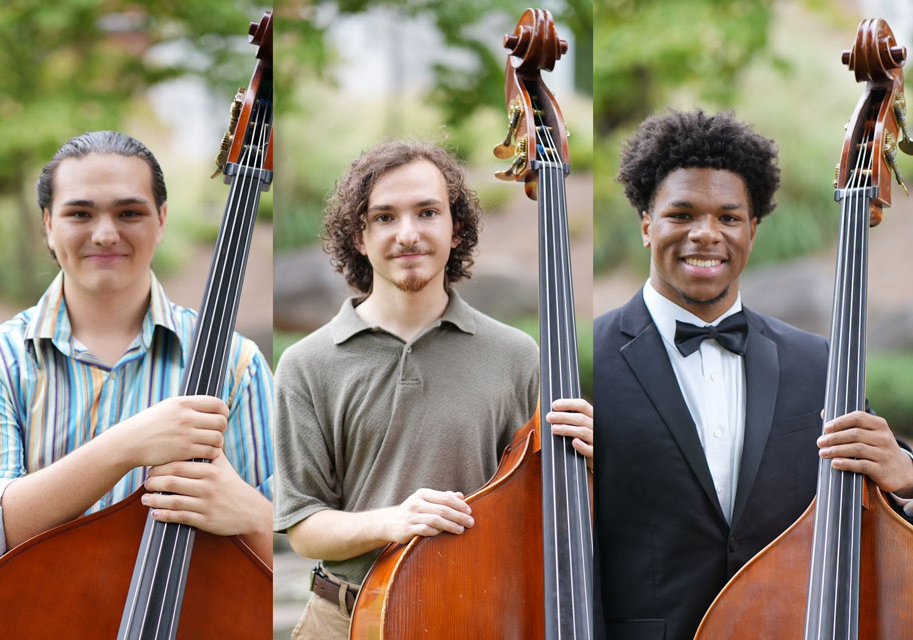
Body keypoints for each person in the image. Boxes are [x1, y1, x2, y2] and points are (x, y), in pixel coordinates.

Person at [592, 109, 913, 639]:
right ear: (646, 224)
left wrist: (903, 473)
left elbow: (878, 524)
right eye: (682, 214)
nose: (706, 234)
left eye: (728, 217)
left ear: (753, 229)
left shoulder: (820, 363)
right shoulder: (587, 364)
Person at [272, 140, 595, 638]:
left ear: (455, 227)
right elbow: (303, 527)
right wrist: (393, 521)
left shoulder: (517, 355)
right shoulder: (306, 364)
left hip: (477, 615)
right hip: (342, 621)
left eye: (427, 212)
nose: (408, 234)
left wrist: (589, 465)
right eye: (383, 217)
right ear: (358, 237)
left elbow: (539, 511)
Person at [0, 131, 275, 573]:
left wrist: (255, 514)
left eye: (129, 212)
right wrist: (129, 444)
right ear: (48, 224)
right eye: (80, 213)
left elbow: (282, 554)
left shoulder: (237, 364)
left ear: (161, 220)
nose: (105, 234)